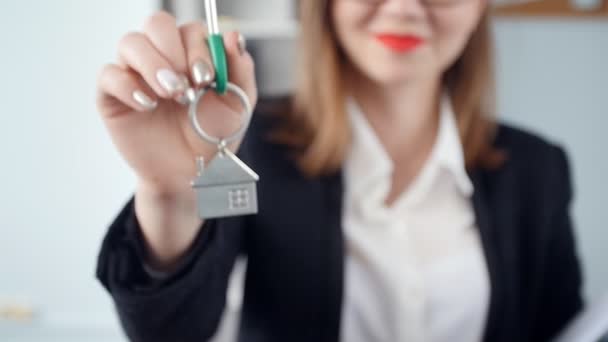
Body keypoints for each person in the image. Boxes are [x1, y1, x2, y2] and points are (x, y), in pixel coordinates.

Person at [95, 1, 583, 341]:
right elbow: (170, 331)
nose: (403, 7)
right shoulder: (249, 144)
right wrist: (170, 194)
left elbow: (564, 330)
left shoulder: (538, 171)